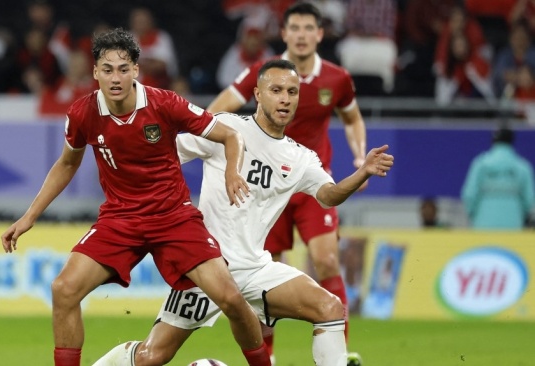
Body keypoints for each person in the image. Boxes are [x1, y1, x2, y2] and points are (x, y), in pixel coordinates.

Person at [0, 28, 271, 366]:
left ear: (136, 71)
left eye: (123, 68)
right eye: (108, 69)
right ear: (95, 71)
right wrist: (29, 216)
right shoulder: (83, 113)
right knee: (63, 289)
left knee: (230, 298)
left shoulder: (164, 103)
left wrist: (233, 171)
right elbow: (67, 163)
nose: (116, 77)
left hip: (174, 218)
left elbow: (231, 135)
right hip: (120, 219)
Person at [94, 60, 393, 366]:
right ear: (258, 94)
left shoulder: (300, 157)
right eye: (276, 90)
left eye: (292, 91)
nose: (285, 98)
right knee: (150, 357)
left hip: (255, 269)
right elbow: (166, 155)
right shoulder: (226, 129)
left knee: (329, 308)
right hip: (205, 267)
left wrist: (362, 173)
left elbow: (329, 196)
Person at [206, 3, 367, 363]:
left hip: (310, 182)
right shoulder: (263, 74)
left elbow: (353, 119)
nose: (301, 34)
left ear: (319, 34)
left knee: (326, 262)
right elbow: (217, 111)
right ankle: (270, 356)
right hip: (265, 188)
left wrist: (359, 157)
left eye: (309, 28)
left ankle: (340, 349)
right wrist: (218, 146)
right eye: (294, 28)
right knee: (267, 269)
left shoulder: (337, 78)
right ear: (284, 33)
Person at [461, 126, 535, 229]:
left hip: (483, 224)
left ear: (493, 141)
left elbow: (469, 195)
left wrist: (473, 215)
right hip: (513, 224)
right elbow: (530, 200)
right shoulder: (523, 167)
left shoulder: (481, 164)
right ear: (511, 141)